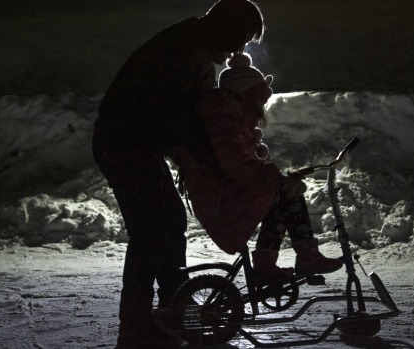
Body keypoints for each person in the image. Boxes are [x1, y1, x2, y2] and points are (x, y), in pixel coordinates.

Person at [91, 1, 265, 348]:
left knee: (170, 221)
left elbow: (190, 116)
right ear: (227, 28)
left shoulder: (193, 47)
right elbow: (178, 117)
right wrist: (216, 162)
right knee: (153, 229)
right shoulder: (183, 51)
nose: (237, 51)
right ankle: (137, 324)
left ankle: (173, 306)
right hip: (125, 145)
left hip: (139, 145)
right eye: (241, 39)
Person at [174, 52, 343, 280]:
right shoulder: (224, 118)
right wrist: (274, 178)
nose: (262, 108)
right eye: (260, 101)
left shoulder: (230, 116)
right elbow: (237, 164)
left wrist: (268, 171)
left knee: (281, 195)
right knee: (285, 194)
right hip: (220, 199)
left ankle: (272, 263)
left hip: (224, 193)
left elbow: (241, 164)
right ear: (247, 97)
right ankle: (303, 257)